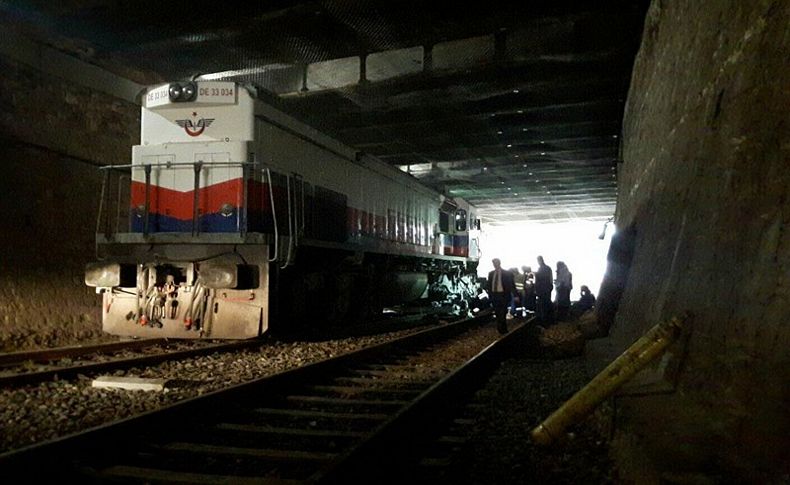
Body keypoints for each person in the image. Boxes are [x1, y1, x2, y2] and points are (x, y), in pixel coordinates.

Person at [487, 258, 515, 334]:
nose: (494, 265)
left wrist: (514, 295)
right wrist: (490, 295)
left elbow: (511, 285)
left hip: (502, 295)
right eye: (493, 263)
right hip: (494, 295)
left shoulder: (506, 273)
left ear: (499, 263)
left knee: (502, 313)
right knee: (497, 312)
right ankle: (501, 328)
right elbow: (489, 286)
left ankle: (502, 329)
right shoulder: (491, 274)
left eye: (495, 263)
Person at [534, 256, 554, 325]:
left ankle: (544, 320)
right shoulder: (548, 268)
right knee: (546, 304)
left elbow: (539, 280)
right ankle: (548, 320)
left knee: (543, 305)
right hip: (546, 289)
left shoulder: (541, 269)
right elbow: (550, 279)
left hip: (542, 290)